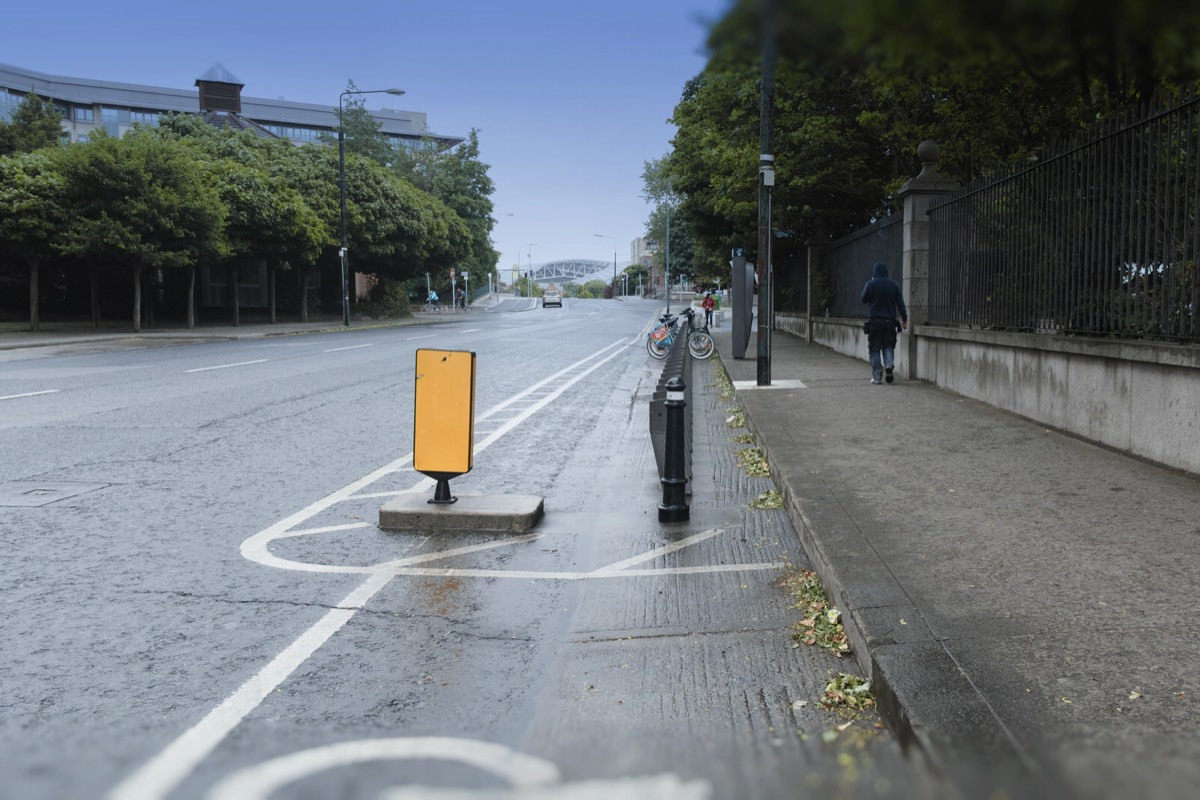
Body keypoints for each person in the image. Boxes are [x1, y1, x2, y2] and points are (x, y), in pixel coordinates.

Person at [859, 261, 908, 385]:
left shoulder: (870, 284)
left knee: (874, 348)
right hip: (890, 322)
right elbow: (901, 305)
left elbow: (863, 299)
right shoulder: (894, 285)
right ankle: (889, 365)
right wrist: (904, 319)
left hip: (875, 322)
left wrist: (871, 284)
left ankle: (876, 377)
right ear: (886, 272)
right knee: (888, 346)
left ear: (874, 272)